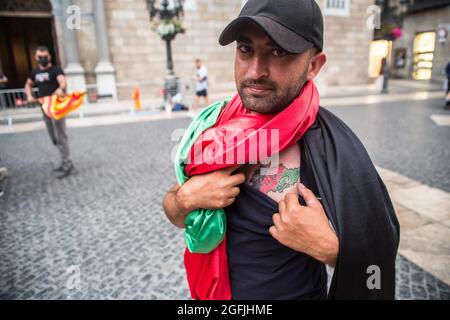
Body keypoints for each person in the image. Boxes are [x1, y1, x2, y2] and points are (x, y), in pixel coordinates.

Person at [163, 0, 399, 300]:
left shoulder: (333, 149)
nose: (256, 71)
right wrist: (185, 199)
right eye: (245, 49)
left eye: (278, 52)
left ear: (313, 65)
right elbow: (174, 210)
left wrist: (331, 250)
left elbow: (377, 264)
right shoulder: (217, 127)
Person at [25, 46, 75, 179]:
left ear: (49, 57)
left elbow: (62, 82)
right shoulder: (35, 72)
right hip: (44, 108)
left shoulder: (55, 69)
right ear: (36, 58)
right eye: (40, 57)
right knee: (53, 137)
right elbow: (28, 84)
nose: (43, 59)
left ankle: (67, 163)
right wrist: (29, 95)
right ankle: (65, 160)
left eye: (45, 57)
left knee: (60, 136)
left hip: (57, 107)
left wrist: (60, 89)